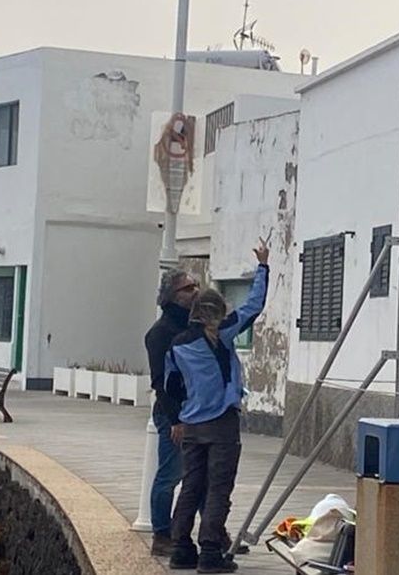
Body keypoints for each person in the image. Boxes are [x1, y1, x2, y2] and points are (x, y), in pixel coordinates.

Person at [161, 239, 269, 573]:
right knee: (219, 487)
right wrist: (263, 266)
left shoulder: (176, 345)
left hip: (191, 425)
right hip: (221, 423)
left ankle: (181, 548)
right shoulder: (221, 334)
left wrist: (176, 419)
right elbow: (253, 307)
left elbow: (170, 388)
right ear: (217, 313)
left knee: (191, 485)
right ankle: (210, 552)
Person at [144, 268, 199, 556]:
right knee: (169, 475)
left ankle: (212, 532)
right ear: (173, 295)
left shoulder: (193, 328)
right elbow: (160, 382)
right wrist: (175, 419)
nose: (195, 292)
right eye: (189, 288)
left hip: (198, 410)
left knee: (200, 473)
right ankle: (161, 533)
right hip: (174, 414)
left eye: (196, 287)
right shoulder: (161, 333)